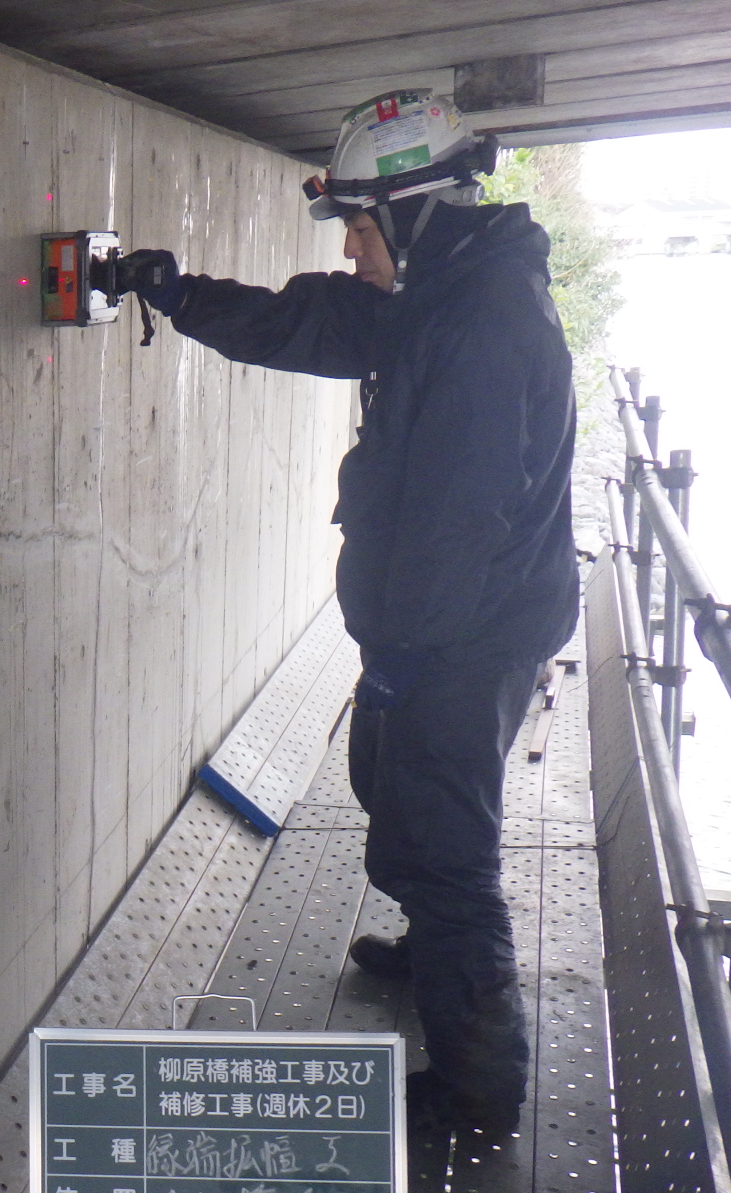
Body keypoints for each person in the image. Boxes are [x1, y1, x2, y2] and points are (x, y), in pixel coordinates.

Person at [126, 90, 579, 1135]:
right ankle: (433, 949)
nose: (350, 250)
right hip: (451, 620)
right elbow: (316, 322)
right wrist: (182, 296)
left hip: (467, 630)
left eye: (360, 229)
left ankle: (478, 1088)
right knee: (390, 788)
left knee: (447, 847)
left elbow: (456, 521)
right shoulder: (446, 291)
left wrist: (402, 651)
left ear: (410, 215)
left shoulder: (480, 328)